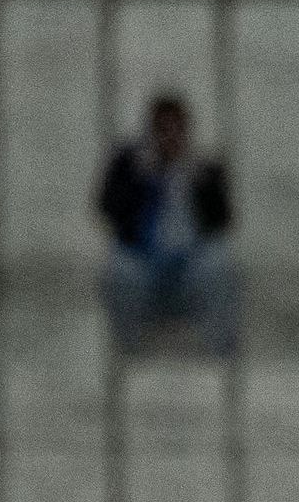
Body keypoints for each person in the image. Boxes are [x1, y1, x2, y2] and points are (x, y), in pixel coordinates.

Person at [95, 94, 241, 356]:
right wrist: (141, 178)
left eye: (176, 130)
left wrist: (199, 182)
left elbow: (224, 221)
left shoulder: (204, 168)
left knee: (220, 263)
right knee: (120, 268)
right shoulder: (129, 163)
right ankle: (127, 349)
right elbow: (107, 208)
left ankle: (219, 351)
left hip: (191, 264)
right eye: (163, 130)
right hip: (143, 261)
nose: (170, 138)